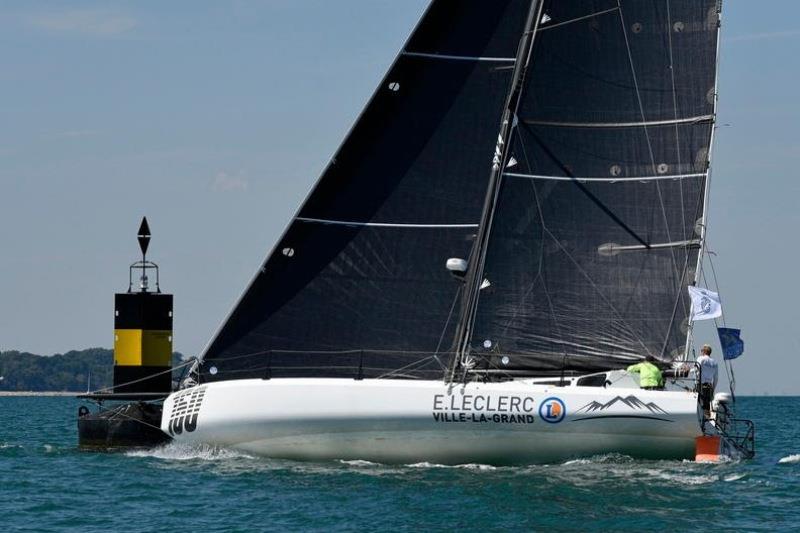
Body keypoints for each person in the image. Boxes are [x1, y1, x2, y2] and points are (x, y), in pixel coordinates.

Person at [696, 344, 718, 418]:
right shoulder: (714, 362)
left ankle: (700, 419)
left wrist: (687, 370)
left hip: (701, 386)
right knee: (707, 405)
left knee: (700, 403)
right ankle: (707, 419)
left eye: (701, 350)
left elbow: (696, 369)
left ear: (704, 352)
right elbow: (716, 378)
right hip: (709, 387)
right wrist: (713, 389)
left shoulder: (701, 359)